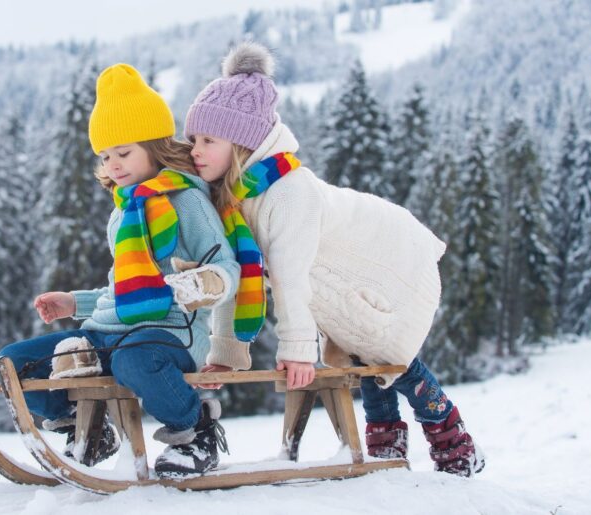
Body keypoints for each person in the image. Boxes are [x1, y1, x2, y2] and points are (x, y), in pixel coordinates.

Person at [184, 42, 485, 477]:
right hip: (339, 278)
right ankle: (386, 445)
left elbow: (288, 278)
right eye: (193, 139)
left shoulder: (288, 192)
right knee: (363, 353)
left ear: (244, 144)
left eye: (208, 140)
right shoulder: (235, 203)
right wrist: (226, 353)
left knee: (390, 354)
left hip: (388, 255)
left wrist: (298, 351)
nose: (195, 150)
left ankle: (454, 443)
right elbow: (239, 278)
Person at [0, 63, 242, 477]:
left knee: (135, 359)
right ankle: (86, 428)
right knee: (16, 361)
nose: (113, 164)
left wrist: (205, 282)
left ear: (155, 145)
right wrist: (74, 303)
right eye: (105, 156)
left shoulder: (187, 202)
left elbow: (226, 267)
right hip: (107, 333)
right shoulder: (123, 214)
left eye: (124, 152)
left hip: (169, 333)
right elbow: (123, 287)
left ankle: (196, 430)